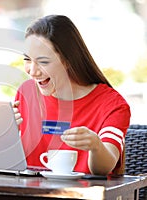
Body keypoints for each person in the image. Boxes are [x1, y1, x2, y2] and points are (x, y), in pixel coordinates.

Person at [13, 15, 131, 175]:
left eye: (43, 61)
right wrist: (2, 134)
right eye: (27, 59)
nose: (32, 71)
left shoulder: (112, 105)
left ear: (68, 60)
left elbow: (104, 168)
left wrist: (96, 146)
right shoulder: (26, 94)